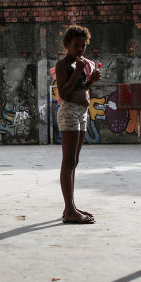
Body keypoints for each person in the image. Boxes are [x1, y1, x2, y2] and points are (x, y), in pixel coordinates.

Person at [54, 24, 101, 224]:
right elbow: (63, 93)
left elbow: (80, 89)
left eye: (83, 46)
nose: (80, 50)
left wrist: (90, 81)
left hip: (81, 113)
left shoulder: (80, 64)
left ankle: (70, 207)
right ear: (67, 45)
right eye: (76, 45)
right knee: (68, 161)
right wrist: (78, 71)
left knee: (74, 161)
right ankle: (69, 209)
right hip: (69, 113)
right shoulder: (63, 64)